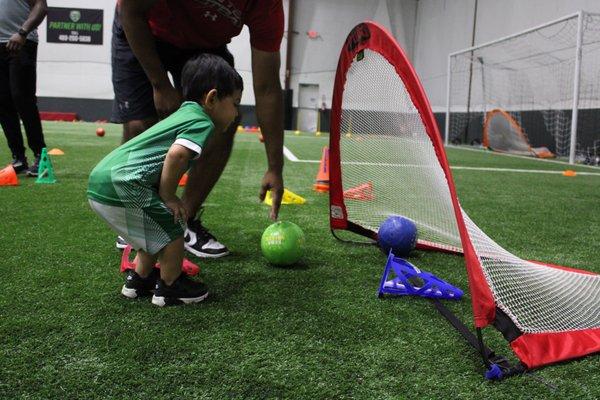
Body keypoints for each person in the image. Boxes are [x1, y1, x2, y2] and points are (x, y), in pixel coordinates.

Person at [112, 0, 285, 258]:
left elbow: (268, 87)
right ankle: (140, 220)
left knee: (225, 116)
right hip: (144, 29)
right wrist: (159, 85)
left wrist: (275, 167)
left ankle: (183, 221)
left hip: (204, 46)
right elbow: (131, 10)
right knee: (140, 125)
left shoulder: (266, 4)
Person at [88, 54, 243, 306]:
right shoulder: (201, 121)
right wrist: (169, 196)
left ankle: (139, 279)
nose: (236, 113)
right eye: (235, 104)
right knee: (172, 232)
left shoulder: (182, 114)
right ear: (212, 98)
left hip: (103, 181)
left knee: (152, 233)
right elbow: (177, 154)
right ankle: (171, 287)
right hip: (125, 183)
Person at [0, 0, 48, 176]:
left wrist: (22, 33)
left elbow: (41, 6)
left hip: (21, 41)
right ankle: (19, 158)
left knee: (22, 98)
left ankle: (40, 156)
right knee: (2, 101)